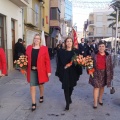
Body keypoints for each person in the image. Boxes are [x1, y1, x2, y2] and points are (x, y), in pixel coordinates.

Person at [26, 34, 51, 111]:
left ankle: (41, 95)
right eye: (35, 38)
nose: (36, 40)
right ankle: (33, 103)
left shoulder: (44, 49)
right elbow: (25, 59)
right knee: (32, 86)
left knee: (40, 85)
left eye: (38, 39)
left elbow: (47, 60)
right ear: (33, 39)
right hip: (32, 70)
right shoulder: (29, 48)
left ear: (40, 40)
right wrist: (23, 68)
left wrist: (48, 71)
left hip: (41, 70)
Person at [56, 37, 82, 111]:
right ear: (65, 43)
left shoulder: (76, 51)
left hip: (73, 72)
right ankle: (67, 103)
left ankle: (69, 97)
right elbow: (59, 63)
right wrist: (59, 71)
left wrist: (79, 71)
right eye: (67, 41)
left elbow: (79, 62)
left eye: (70, 41)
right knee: (66, 87)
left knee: (71, 86)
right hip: (64, 71)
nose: (69, 43)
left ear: (72, 43)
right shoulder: (61, 52)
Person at [89, 41, 113, 109]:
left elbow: (110, 66)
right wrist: (90, 70)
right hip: (96, 73)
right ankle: (95, 102)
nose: (101, 48)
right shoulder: (94, 54)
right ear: (98, 47)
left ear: (105, 47)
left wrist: (111, 75)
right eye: (100, 46)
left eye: (103, 46)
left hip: (105, 73)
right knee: (96, 87)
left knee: (102, 87)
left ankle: (100, 99)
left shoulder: (108, 55)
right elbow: (89, 63)